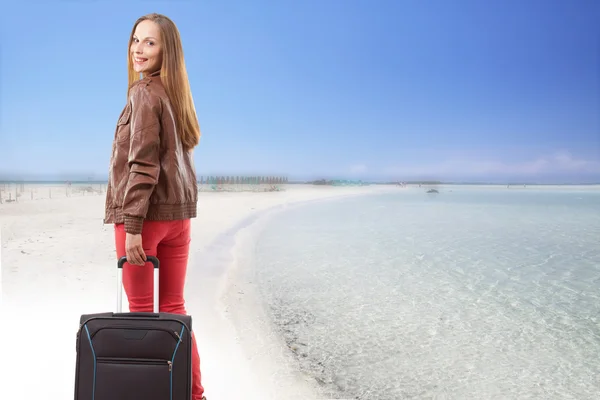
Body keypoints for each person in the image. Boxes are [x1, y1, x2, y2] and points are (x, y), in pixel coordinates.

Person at [103, 13, 206, 400]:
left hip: (144, 220)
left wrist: (131, 225)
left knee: (143, 314)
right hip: (178, 219)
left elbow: (143, 165)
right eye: (135, 40)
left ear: (167, 51)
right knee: (176, 312)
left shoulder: (145, 93)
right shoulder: (176, 94)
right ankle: (194, 395)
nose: (138, 49)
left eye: (150, 42)